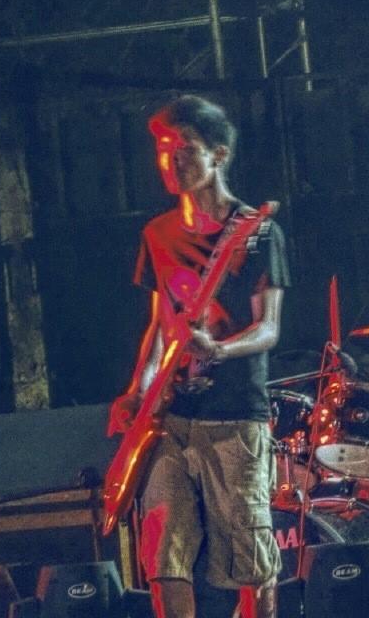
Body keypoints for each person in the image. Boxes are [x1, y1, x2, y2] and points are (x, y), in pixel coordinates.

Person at [108, 95, 288, 618]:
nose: (171, 159)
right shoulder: (157, 235)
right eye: (164, 148)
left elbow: (269, 327)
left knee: (251, 560)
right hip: (170, 421)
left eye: (185, 147)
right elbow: (159, 327)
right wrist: (137, 391)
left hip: (235, 420)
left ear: (218, 154)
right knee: (164, 553)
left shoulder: (258, 232)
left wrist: (220, 349)